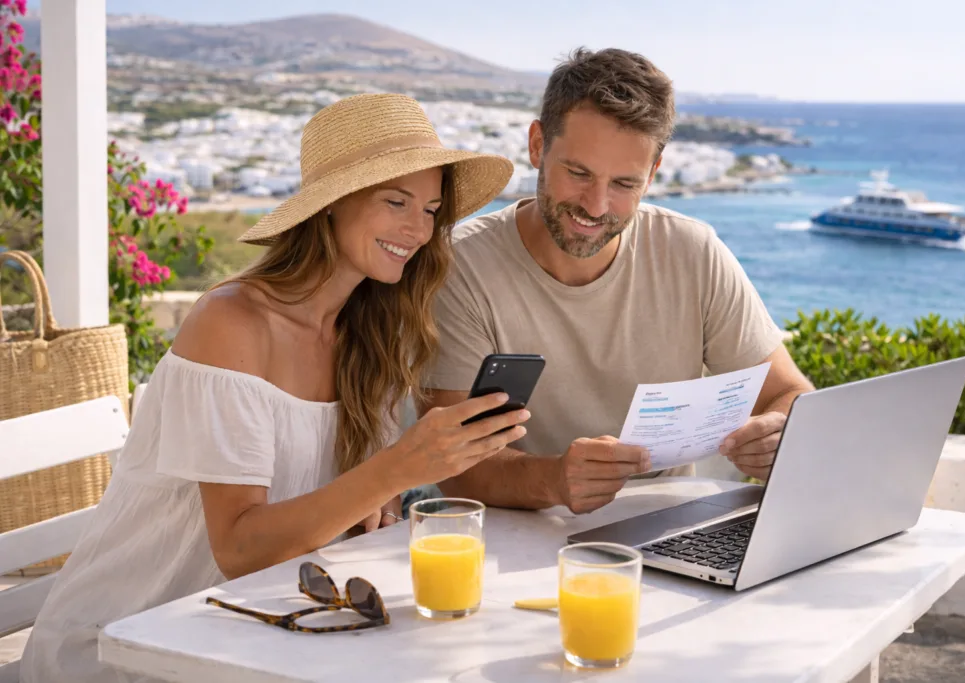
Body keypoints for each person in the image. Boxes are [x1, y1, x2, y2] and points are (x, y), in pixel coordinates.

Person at [20, 93, 526, 683]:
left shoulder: (374, 335)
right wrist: (399, 469)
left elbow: (349, 507)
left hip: (265, 629)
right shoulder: (231, 324)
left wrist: (376, 507)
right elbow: (239, 549)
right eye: (396, 202)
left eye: (432, 210)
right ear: (331, 204)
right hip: (130, 642)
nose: (419, 229)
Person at [419, 48, 815, 515]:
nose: (596, 205)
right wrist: (555, 480)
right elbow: (455, 466)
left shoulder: (694, 252)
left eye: (625, 184)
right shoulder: (460, 267)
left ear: (653, 173)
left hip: (667, 529)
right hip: (516, 540)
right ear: (536, 145)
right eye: (578, 173)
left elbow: (788, 393)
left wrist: (776, 431)